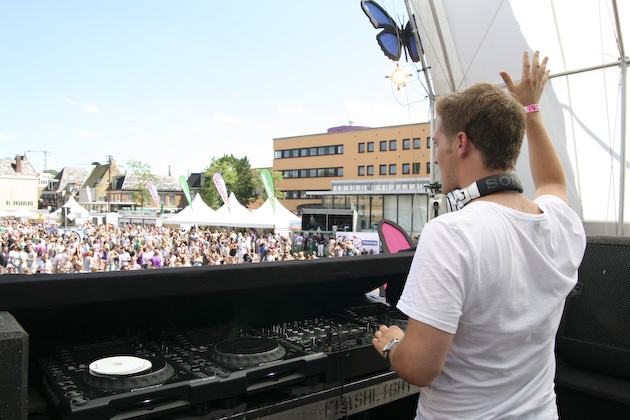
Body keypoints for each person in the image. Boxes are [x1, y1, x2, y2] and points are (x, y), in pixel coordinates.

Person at [372, 51, 586, 420]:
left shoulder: (451, 233)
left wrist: (393, 344)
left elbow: (420, 368)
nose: (437, 156)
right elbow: (552, 181)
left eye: (437, 143)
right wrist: (530, 108)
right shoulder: (560, 223)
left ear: (460, 143)